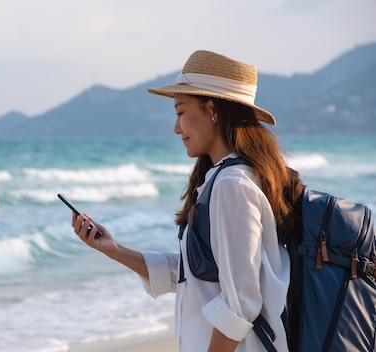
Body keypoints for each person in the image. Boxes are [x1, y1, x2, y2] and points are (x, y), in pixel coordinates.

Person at [70, 50, 303, 351]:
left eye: (180, 112)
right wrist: (114, 250)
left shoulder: (232, 185)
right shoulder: (225, 179)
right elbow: (195, 276)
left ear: (213, 111)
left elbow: (241, 303)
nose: (176, 128)